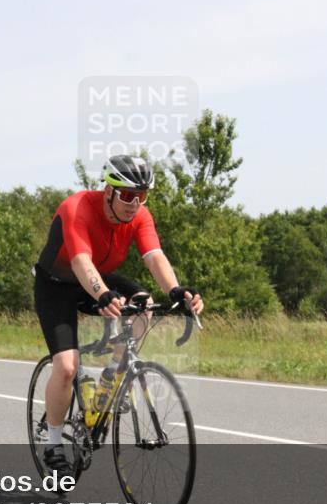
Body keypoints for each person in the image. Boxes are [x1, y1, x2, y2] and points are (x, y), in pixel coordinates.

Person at [33, 154, 204, 476]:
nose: (134, 203)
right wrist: (102, 294)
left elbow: (154, 256)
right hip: (57, 283)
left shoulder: (140, 216)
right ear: (108, 190)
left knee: (143, 303)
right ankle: (54, 443)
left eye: (142, 196)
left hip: (97, 276)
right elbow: (81, 261)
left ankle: (113, 376)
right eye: (127, 195)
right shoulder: (77, 207)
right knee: (67, 367)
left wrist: (177, 291)